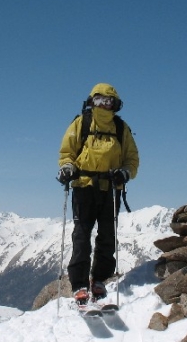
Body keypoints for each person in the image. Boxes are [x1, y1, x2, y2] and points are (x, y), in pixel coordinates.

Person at [57, 83, 140, 305]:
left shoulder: (121, 129)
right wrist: (68, 167)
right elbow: (67, 152)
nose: (104, 104)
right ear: (92, 101)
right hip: (84, 186)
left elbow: (132, 159)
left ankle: (99, 279)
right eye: (99, 100)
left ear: (115, 104)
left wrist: (125, 172)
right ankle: (80, 284)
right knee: (82, 236)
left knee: (107, 235)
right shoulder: (81, 123)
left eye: (108, 101)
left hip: (110, 188)